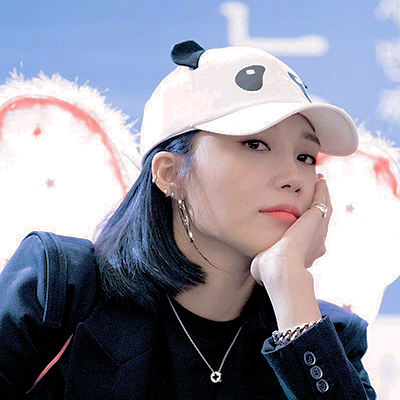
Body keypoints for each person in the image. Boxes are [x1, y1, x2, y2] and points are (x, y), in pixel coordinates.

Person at [0, 40, 376, 399]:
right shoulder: (58, 289)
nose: (293, 177)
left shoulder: (327, 338)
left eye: (306, 157)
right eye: (255, 144)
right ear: (170, 174)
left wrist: (289, 285)